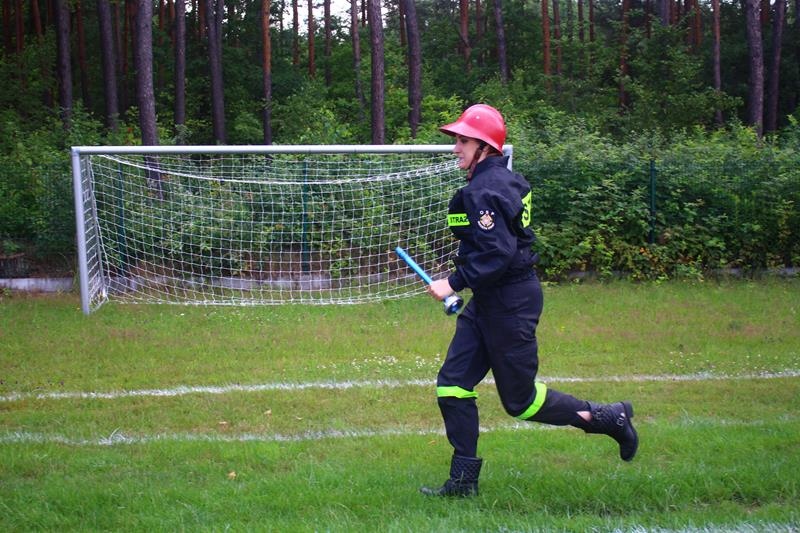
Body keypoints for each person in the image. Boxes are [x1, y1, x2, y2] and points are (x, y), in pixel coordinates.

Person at [420, 104, 638, 497]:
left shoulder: (484, 190)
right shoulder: (502, 181)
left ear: (485, 147)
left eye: (463, 141)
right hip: (489, 301)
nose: (455, 148)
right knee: (452, 384)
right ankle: (463, 482)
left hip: (511, 304)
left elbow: (499, 252)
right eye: (457, 140)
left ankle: (609, 418)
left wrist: (452, 282)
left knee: (521, 402)